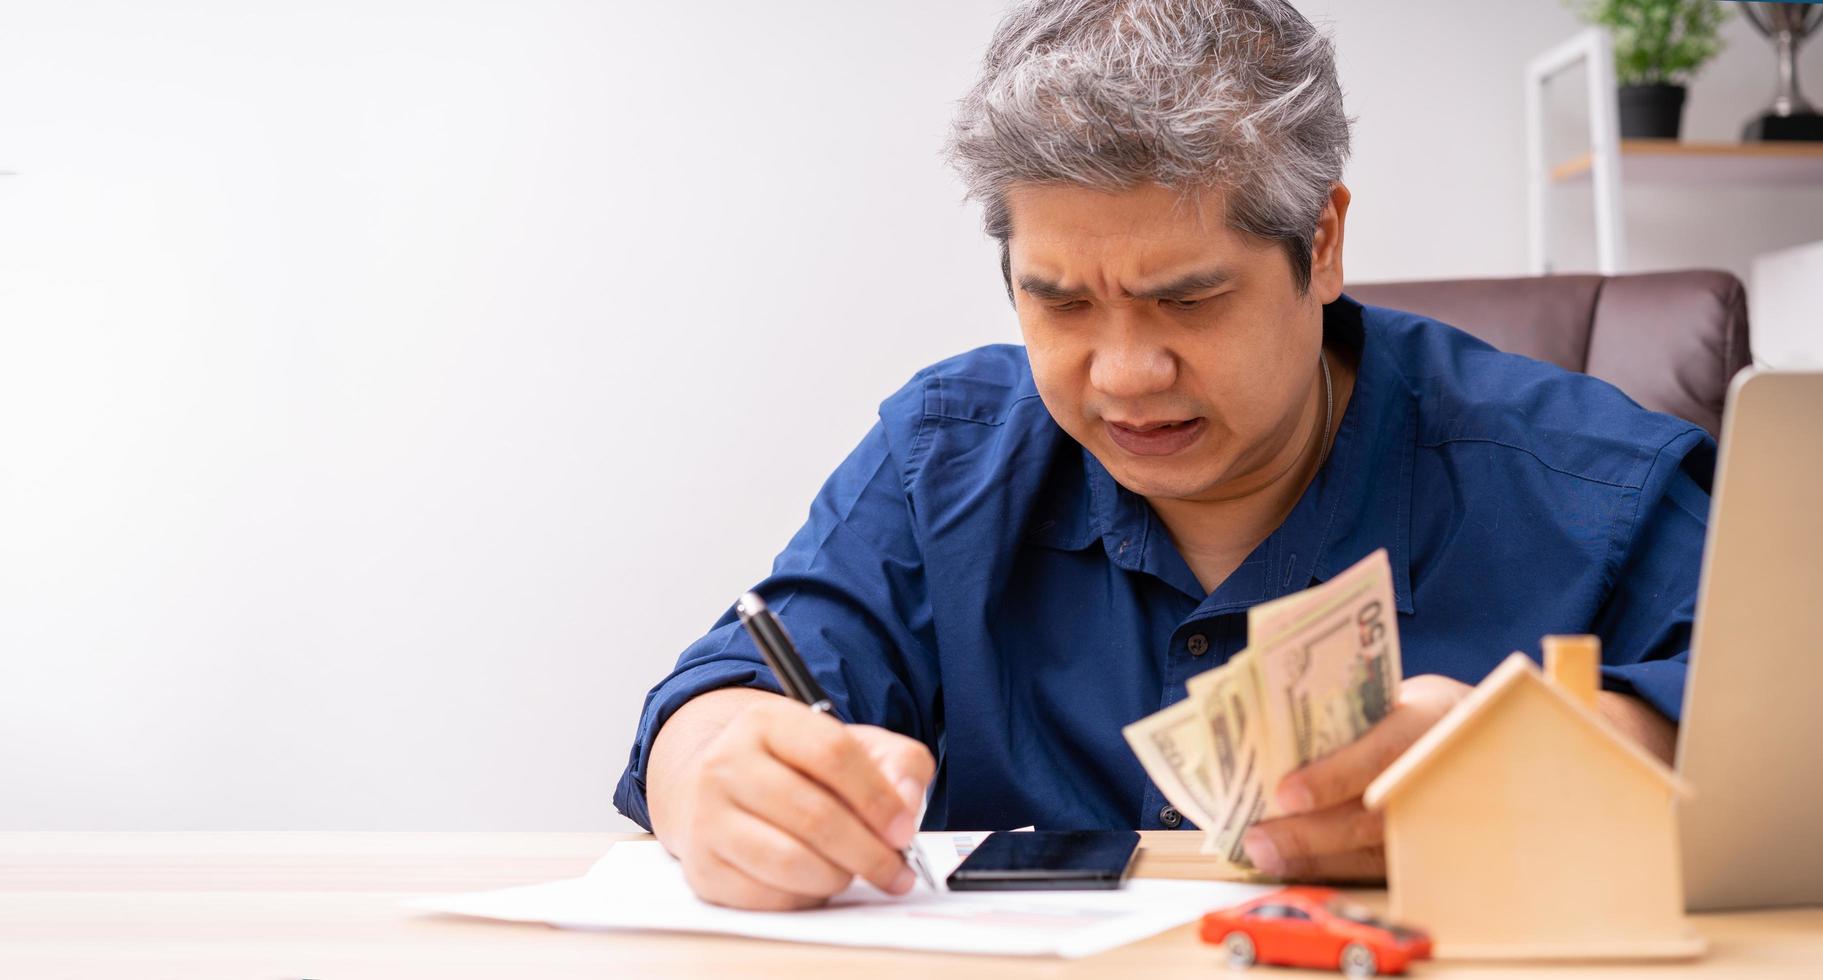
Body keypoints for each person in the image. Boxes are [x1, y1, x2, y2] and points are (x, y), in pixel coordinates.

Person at [613, 0, 1713, 911]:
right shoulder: (941, 456)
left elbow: (1773, 723)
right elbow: (741, 684)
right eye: (1059, 302)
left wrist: (1560, 750)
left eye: (1185, 299)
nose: (1123, 373)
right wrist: (716, 766)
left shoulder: (1589, 479)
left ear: (1320, 242)